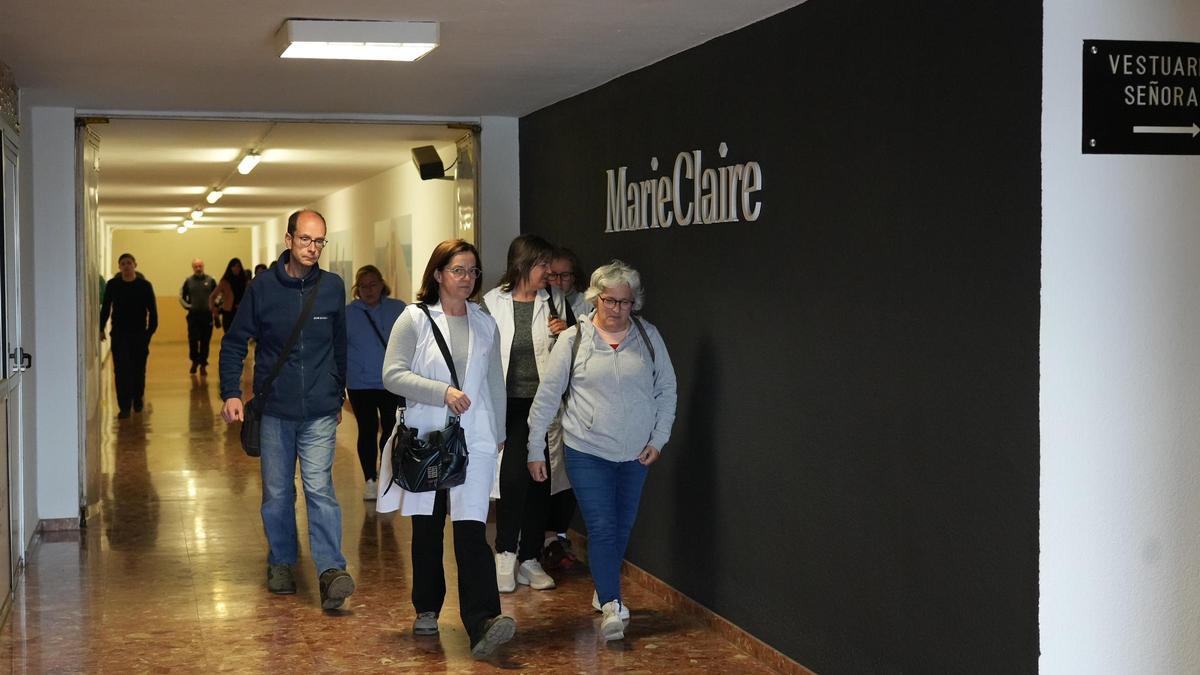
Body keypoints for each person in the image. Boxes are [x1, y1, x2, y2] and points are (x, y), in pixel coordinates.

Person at [526, 260, 677, 641]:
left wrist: (658, 439)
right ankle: (612, 602)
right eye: (611, 301)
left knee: (621, 526)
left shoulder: (647, 337)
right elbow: (546, 398)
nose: (618, 309)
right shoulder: (573, 340)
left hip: (636, 453)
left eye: (626, 303)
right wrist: (534, 448)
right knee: (603, 526)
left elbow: (667, 391)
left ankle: (603, 584)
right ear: (596, 298)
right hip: (586, 449)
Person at [378, 239, 515, 658]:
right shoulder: (414, 319)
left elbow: (494, 382)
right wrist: (442, 392)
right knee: (428, 528)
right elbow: (392, 375)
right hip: (428, 440)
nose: (468, 278)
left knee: (473, 530)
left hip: (474, 439)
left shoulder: (484, 321)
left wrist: (499, 434)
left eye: (473, 271)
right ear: (438, 274)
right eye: (459, 270)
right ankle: (426, 607)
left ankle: (483, 621)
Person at [217, 209, 355, 610]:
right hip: (275, 410)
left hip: (318, 410)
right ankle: (281, 561)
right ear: (289, 240)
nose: (312, 249)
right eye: (305, 240)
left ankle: (331, 570)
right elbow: (234, 342)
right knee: (278, 493)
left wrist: (337, 393)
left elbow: (339, 345)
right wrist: (231, 392)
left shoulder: (331, 287)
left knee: (320, 489)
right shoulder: (262, 289)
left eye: (319, 241)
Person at [481, 234, 564, 593]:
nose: (549, 271)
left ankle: (529, 558)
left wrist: (564, 335)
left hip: (542, 405)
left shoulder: (555, 302)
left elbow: (566, 355)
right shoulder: (490, 304)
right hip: (507, 403)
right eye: (543, 264)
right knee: (514, 477)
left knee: (540, 481)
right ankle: (505, 551)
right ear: (522, 264)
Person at [539, 247, 591, 569]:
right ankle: (542, 538)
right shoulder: (538, 303)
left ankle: (558, 535)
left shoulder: (588, 306)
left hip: (576, 404)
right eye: (552, 275)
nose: (559, 281)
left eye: (565, 275)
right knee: (544, 469)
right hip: (544, 402)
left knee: (568, 474)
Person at [346, 264, 406, 500]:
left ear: (382, 284)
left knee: (391, 429)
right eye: (363, 286)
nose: (368, 290)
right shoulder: (348, 314)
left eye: (373, 284)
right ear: (356, 289)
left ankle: (386, 472)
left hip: (391, 381)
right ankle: (370, 478)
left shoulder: (398, 309)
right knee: (368, 429)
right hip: (360, 384)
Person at [100, 253, 158, 419]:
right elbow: (106, 308)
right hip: (119, 334)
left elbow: (153, 311)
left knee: (138, 369)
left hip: (139, 334)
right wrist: (101, 327)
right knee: (121, 371)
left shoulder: (144, 286)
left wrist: (149, 333)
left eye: (129, 263)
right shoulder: (113, 285)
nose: (126, 266)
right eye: (123, 263)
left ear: (135, 265)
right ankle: (124, 406)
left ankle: (138, 399)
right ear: (119, 267)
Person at [179, 258, 216, 375]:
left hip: (207, 316)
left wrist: (214, 307)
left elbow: (218, 294)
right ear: (193, 267)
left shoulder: (211, 280)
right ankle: (195, 361)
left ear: (203, 266)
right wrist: (189, 306)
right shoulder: (188, 281)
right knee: (193, 340)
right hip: (193, 316)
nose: (198, 268)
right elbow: (181, 296)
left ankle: (203, 365)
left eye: (200, 266)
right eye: (196, 266)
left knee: (205, 341)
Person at [210, 257, 247, 332]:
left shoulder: (245, 281)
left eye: (238, 266)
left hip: (242, 313)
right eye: (234, 266)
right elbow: (212, 297)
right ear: (230, 268)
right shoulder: (225, 282)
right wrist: (215, 312)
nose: (236, 268)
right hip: (228, 313)